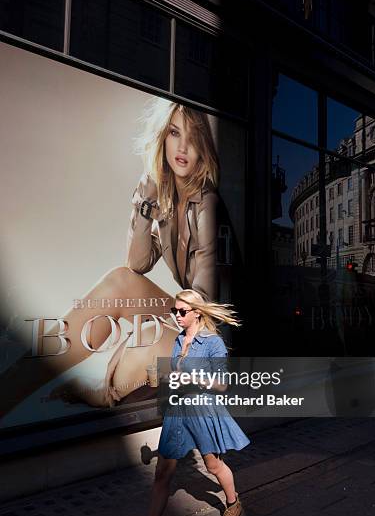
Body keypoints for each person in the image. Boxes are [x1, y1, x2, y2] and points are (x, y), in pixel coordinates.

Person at [1, 98, 224, 415]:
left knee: (145, 347)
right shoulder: (168, 198)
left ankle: (101, 390)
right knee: (121, 280)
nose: (183, 147)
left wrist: (149, 331)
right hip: (187, 317)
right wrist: (144, 205)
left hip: (213, 330)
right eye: (175, 133)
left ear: (203, 145)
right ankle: (11, 389)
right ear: (162, 137)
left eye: (193, 137)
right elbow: (136, 266)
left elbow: (205, 302)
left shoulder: (208, 204)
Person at [117, 289, 250, 516]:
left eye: (181, 311)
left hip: (202, 409)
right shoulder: (179, 339)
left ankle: (233, 503)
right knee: (162, 474)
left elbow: (222, 384)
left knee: (213, 466)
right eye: (174, 311)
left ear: (197, 312)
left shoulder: (214, 344)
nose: (176, 316)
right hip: (178, 411)